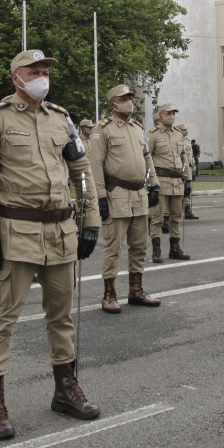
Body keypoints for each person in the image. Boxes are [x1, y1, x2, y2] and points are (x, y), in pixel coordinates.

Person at [0, 49, 100, 440]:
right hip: (16, 233)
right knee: (3, 319)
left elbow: (82, 172)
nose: (43, 76)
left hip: (61, 232)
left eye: (45, 71)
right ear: (17, 78)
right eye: (35, 71)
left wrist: (91, 220)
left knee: (61, 318)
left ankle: (65, 389)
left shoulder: (61, 119)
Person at [88, 84, 160, 313]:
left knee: (140, 245)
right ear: (113, 103)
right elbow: (95, 165)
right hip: (115, 195)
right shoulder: (103, 129)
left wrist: (154, 183)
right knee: (113, 247)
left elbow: (147, 158)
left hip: (139, 195)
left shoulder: (138, 128)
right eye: (124, 97)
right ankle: (109, 294)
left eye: (130, 97)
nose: (129, 101)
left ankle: (136, 290)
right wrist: (99, 196)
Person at [148, 103, 190, 262]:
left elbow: (183, 157)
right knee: (157, 217)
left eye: (174, 113)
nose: (172, 115)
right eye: (169, 113)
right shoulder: (153, 135)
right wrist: (152, 182)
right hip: (161, 181)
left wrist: (188, 179)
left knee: (177, 216)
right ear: (161, 116)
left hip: (177, 181)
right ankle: (156, 250)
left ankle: (175, 248)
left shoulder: (179, 134)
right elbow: (147, 158)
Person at [177, 123, 199, 220]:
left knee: (188, 189)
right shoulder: (177, 140)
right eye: (184, 129)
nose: (186, 131)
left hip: (189, 168)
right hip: (180, 168)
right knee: (180, 190)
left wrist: (194, 168)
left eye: (187, 129)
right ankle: (176, 212)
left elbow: (191, 156)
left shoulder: (187, 141)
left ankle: (187, 210)